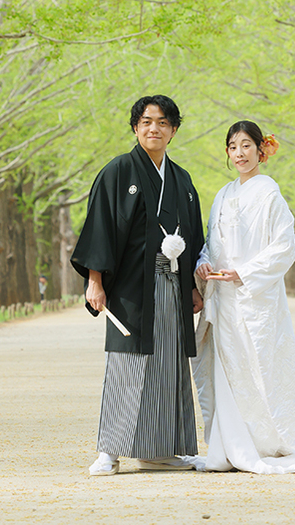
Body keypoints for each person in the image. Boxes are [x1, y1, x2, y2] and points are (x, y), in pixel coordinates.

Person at [193, 121, 295, 474]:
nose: (240, 153)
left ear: (261, 150)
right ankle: (235, 444)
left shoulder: (270, 194)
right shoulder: (223, 195)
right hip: (225, 299)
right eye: (233, 147)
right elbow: (211, 243)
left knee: (262, 366)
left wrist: (244, 272)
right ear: (228, 153)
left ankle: (271, 442)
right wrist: (204, 264)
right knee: (230, 369)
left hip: (256, 298)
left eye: (246, 145)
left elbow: (284, 248)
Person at [71, 95, 206, 476]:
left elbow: (192, 234)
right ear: (135, 128)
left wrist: (192, 286)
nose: (154, 129)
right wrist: (95, 281)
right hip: (131, 286)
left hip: (172, 284)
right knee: (127, 364)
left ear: (173, 130)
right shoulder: (118, 172)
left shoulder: (182, 180)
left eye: (162, 123)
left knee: (168, 364)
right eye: (146, 122)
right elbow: (100, 227)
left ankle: (160, 451)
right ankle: (109, 451)